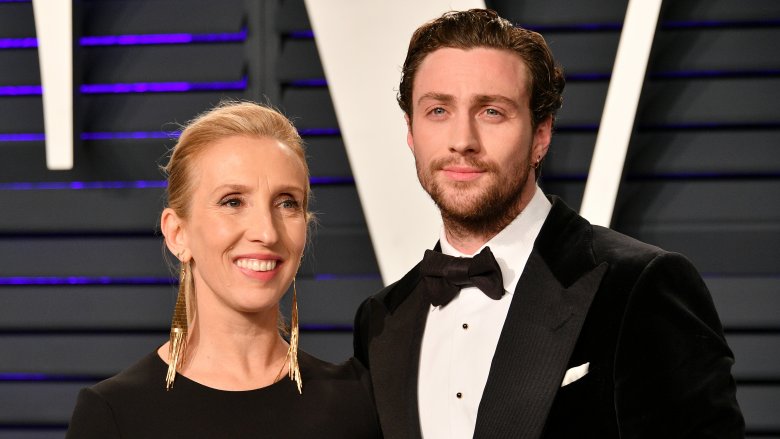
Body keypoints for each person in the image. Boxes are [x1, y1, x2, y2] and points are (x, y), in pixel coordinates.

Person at [353, 9, 744, 439]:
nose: (461, 140)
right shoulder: (380, 321)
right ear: (411, 130)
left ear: (541, 135)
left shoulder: (640, 285)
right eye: (439, 110)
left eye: (492, 112)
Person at [66, 101, 382, 438]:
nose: (266, 232)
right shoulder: (115, 414)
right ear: (177, 233)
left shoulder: (356, 403)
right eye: (233, 201)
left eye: (287, 203)